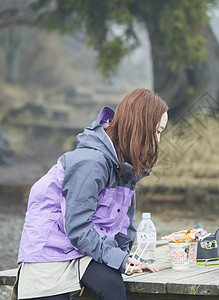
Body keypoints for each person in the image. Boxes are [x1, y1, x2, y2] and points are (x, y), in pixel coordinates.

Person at [12, 88, 168, 300]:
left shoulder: (125, 166)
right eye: (157, 131)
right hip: (51, 252)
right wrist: (118, 260)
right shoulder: (91, 163)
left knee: (113, 284)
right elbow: (77, 227)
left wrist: (126, 260)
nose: (158, 141)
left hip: (82, 251)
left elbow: (124, 225)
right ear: (139, 126)